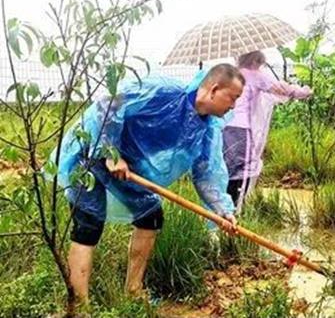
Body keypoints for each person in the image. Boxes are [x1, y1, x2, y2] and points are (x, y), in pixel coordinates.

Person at [53, 63, 244, 305]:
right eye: (233, 97)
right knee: (88, 226)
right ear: (214, 89)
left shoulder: (207, 130)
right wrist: (111, 153)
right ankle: (79, 305)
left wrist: (222, 211)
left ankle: (133, 291)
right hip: (90, 155)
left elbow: (206, 173)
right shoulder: (163, 92)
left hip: (127, 170)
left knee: (151, 216)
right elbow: (108, 105)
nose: (234, 106)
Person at [222, 50, 312, 211]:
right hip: (241, 129)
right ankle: (236, 213)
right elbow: (283, 89)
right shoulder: (255, 74)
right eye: (259, 62)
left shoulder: (233, 74)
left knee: (229, 169)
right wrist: (305, 92)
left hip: (225, 127)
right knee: (244, 170)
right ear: (255, 61)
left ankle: (225, 211)